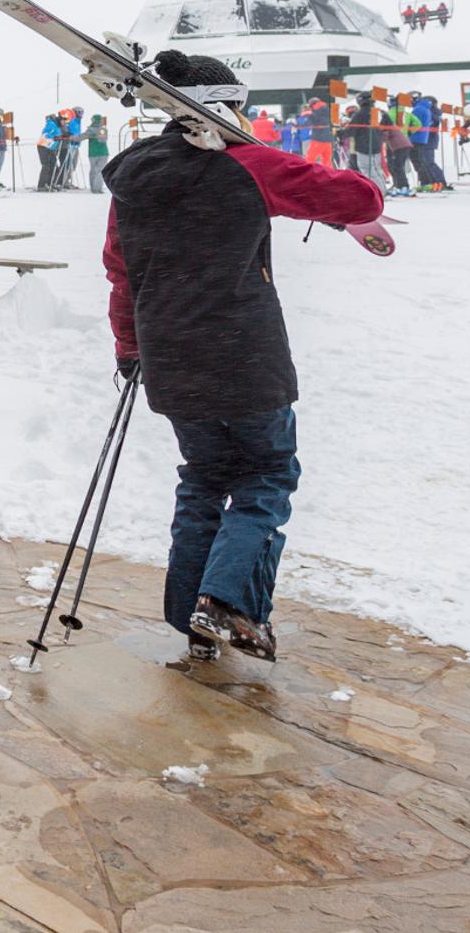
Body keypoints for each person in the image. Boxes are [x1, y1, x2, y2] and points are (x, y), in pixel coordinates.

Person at [102, 49, 384, 665]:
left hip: (169, 355)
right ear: (225, 108)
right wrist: (262, 157)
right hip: (244, 353)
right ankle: (229, 604)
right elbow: (361, 199)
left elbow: (121, 274)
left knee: (204, 478)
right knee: (265, 475)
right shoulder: (250, 167)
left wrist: (128, 347)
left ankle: (193, 614)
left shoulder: (134, 176)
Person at [338, 95, 387, 187]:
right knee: (375, 169)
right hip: (375, 144)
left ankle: (379, 191)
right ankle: (381, 189)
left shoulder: (361, 114)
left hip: (364, 146)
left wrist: (341, 133)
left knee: (367, 169)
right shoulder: (375, 112)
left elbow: (352, 130)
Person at [410, 95, 448, 191]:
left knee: (428, 162)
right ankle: (436, 181)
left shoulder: (432, 113)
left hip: (428, 140)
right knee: (426, 162)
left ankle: (439, 182)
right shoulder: (433, 112)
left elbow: (430, 124)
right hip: (429, 139)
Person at [300, 100, 334, 166]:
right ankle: (328, 174)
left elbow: (308, 123)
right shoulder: (328, 110)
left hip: (318, 139)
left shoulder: (315, 112)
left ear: (312, 105)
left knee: (310, 158)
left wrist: (298, 126)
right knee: (326, 160)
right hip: (329, 139)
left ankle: (310, 173)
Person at [37, 111, 63, 190]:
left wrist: (63, 136)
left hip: (50, 148)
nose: (64, 123)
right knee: (46, 165)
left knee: (54, 165)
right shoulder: (51, 124)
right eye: (63, 121)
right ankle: (41, 186)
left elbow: (58, 134)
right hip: (43, 146)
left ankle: (50, 183)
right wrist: (54, 137)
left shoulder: (57, 126)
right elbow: (45, 134)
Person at [86, 113, 111, 194]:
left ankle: (95, 188)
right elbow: (102, 140)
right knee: (96, 170)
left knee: (96, 170)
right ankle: (95, 188)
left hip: (97, 153)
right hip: (97, 153)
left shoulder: (96, 130)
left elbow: (103, 139)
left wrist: (94, 135)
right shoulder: (96, 130)